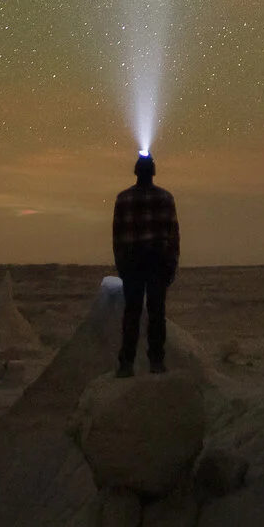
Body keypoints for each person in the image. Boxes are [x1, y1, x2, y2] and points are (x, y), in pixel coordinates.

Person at [110, 151, 179, 376]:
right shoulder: (166, 198)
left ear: (136, 172)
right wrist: (172, 263)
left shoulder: (124, 199)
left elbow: (117, 236)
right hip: (158, 260)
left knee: (132, 312)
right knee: (156, 312)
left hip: (132, 260)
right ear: (154, 172)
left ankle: (126, 363)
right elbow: (173, 235)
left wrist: (121, 264)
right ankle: (156, 361)